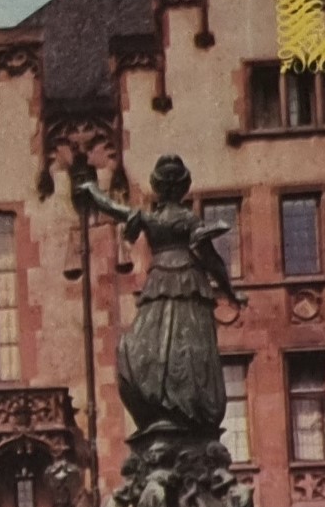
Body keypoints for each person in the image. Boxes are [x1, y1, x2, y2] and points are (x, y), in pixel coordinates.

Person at [78, 155, 242, 436]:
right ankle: (182, 404)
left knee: (161, 341)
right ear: (183, 187)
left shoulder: (154, 219)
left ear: (159, 186)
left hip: (164, 282)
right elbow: (212, 261)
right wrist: (230, 292)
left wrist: (92, 190)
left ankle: (170, 404)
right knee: (183, 343)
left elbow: (115, 209)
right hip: (186, 281)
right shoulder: (188, 220)